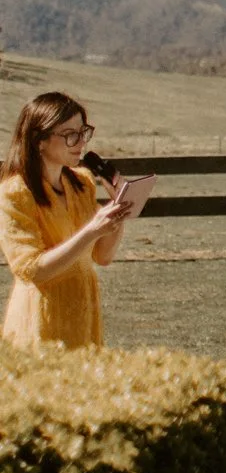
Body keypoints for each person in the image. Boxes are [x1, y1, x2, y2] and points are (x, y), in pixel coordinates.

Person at [0, 93, 133, 348]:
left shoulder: (82, 183)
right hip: (40, 321)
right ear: (39, 141)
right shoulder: (14, 194)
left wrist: (119, 210)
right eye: (70, 134)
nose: (80, 142)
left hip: (83, 315)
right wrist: (91, 231)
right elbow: (32, 271)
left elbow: (102, 257)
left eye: (83, 132)